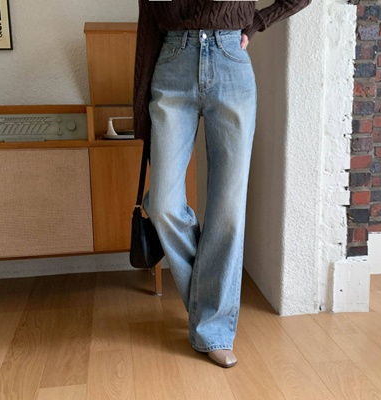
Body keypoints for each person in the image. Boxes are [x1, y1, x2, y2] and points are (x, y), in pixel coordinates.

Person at [133, 0, 311, 368]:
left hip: (231, 61)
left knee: (228, 211)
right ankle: (208, 306)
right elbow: (148, 23)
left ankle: (212, 331)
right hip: (172, 63)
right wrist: (140, 116)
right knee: (163, 204)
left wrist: (258, 21)